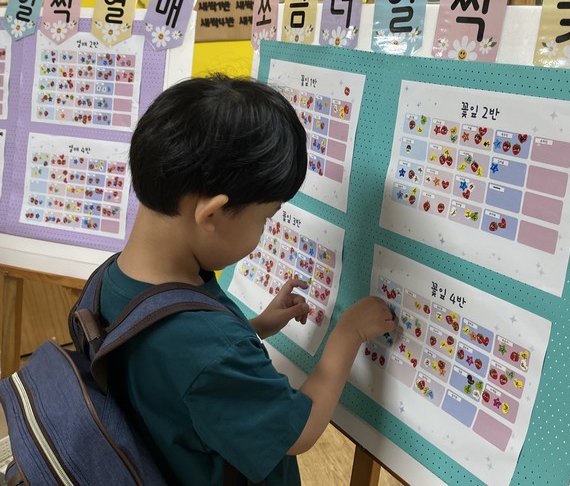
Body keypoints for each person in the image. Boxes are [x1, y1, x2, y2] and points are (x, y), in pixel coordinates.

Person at [99, 74, 396, 485]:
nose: (264, 231)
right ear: (212, 215)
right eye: (265, 218)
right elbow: (299, 433)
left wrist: (252, 327)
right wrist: (348, 335)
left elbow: (174, 366)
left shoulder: (113, 279)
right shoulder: (210, 351)